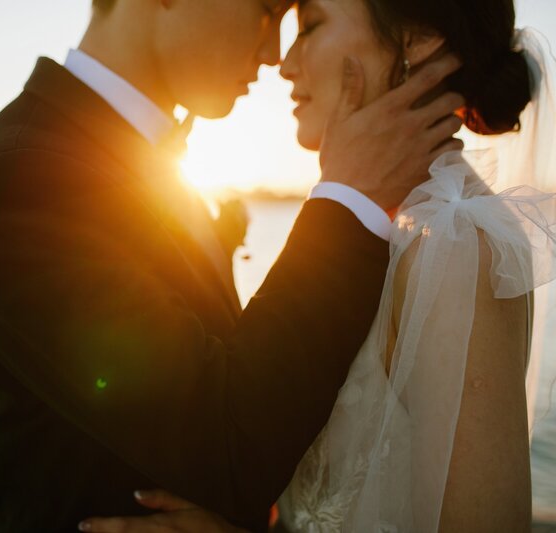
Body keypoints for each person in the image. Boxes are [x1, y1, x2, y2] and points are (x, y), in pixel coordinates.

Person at [0, 0, 465, 530]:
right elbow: (229, 442)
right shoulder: (21, 180)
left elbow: (228, 390)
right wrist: (348, 198)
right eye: (265, 11)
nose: (273, 55)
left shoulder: (157, 170)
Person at [79, 0, 556, 531]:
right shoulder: (373, 223)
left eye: (310, 27)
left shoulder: (456, 241)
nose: (284, 63)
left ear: (417, 41)